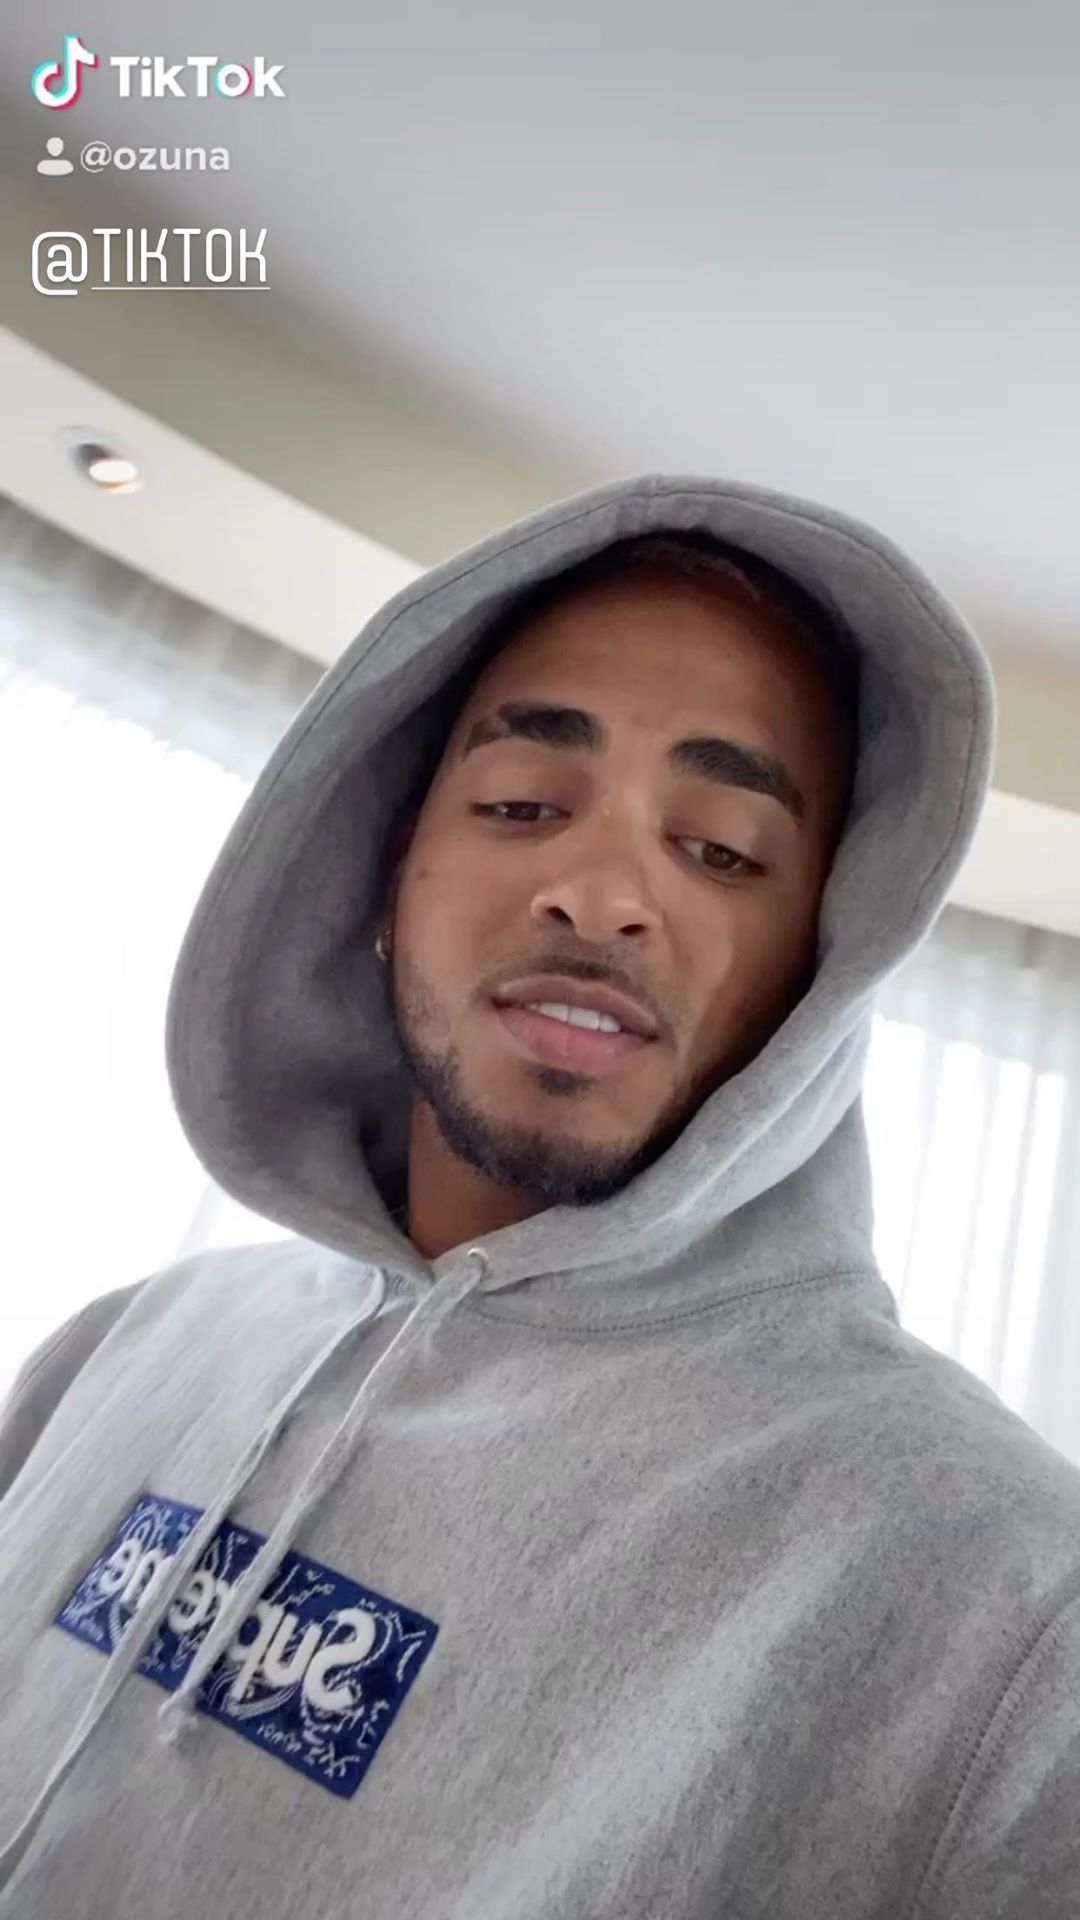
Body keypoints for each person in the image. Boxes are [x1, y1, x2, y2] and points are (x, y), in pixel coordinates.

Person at [0, 472, 1077, 1918]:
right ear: (383, 878)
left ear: (822, 970)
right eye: (519, 802)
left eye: (723, 849)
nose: (603, 891)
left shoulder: (1011, 1602)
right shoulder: (125, 1344)